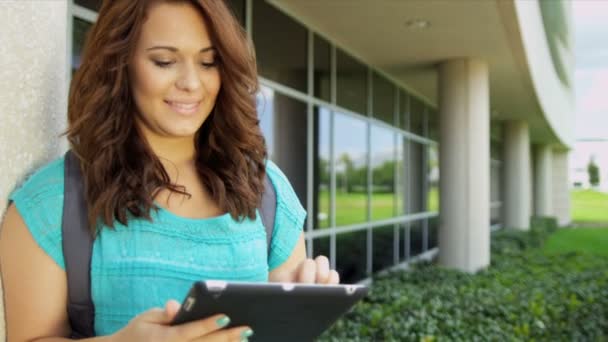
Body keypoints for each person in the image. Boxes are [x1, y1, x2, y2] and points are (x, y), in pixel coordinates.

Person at [0, 0, 339, 340]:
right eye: (164, 61)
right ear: (120, 63)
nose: (192, 83)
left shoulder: (267, 192)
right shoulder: (51, 203)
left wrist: (296, 302)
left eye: (208, 62)